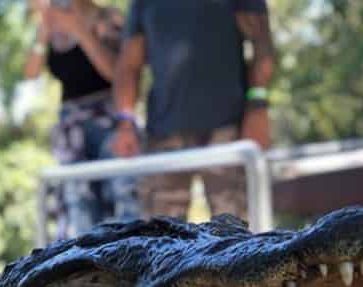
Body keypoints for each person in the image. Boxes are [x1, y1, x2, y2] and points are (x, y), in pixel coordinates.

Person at [110, 0, 274, 221]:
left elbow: (262, 44)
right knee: (158, 240)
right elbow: (129, 63)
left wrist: (258, 108)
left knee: (239, 238)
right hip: (163, 136)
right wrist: (125, 124)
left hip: (228, 132)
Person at [24, 0, 139, 238]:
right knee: (78, 208)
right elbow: (30, 74)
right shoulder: (50, 26)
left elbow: (117, 72)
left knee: (124, 200)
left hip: (111, 121)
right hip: (71, 129)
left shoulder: (108, 18)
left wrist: (79, 30)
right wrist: (42, 35)